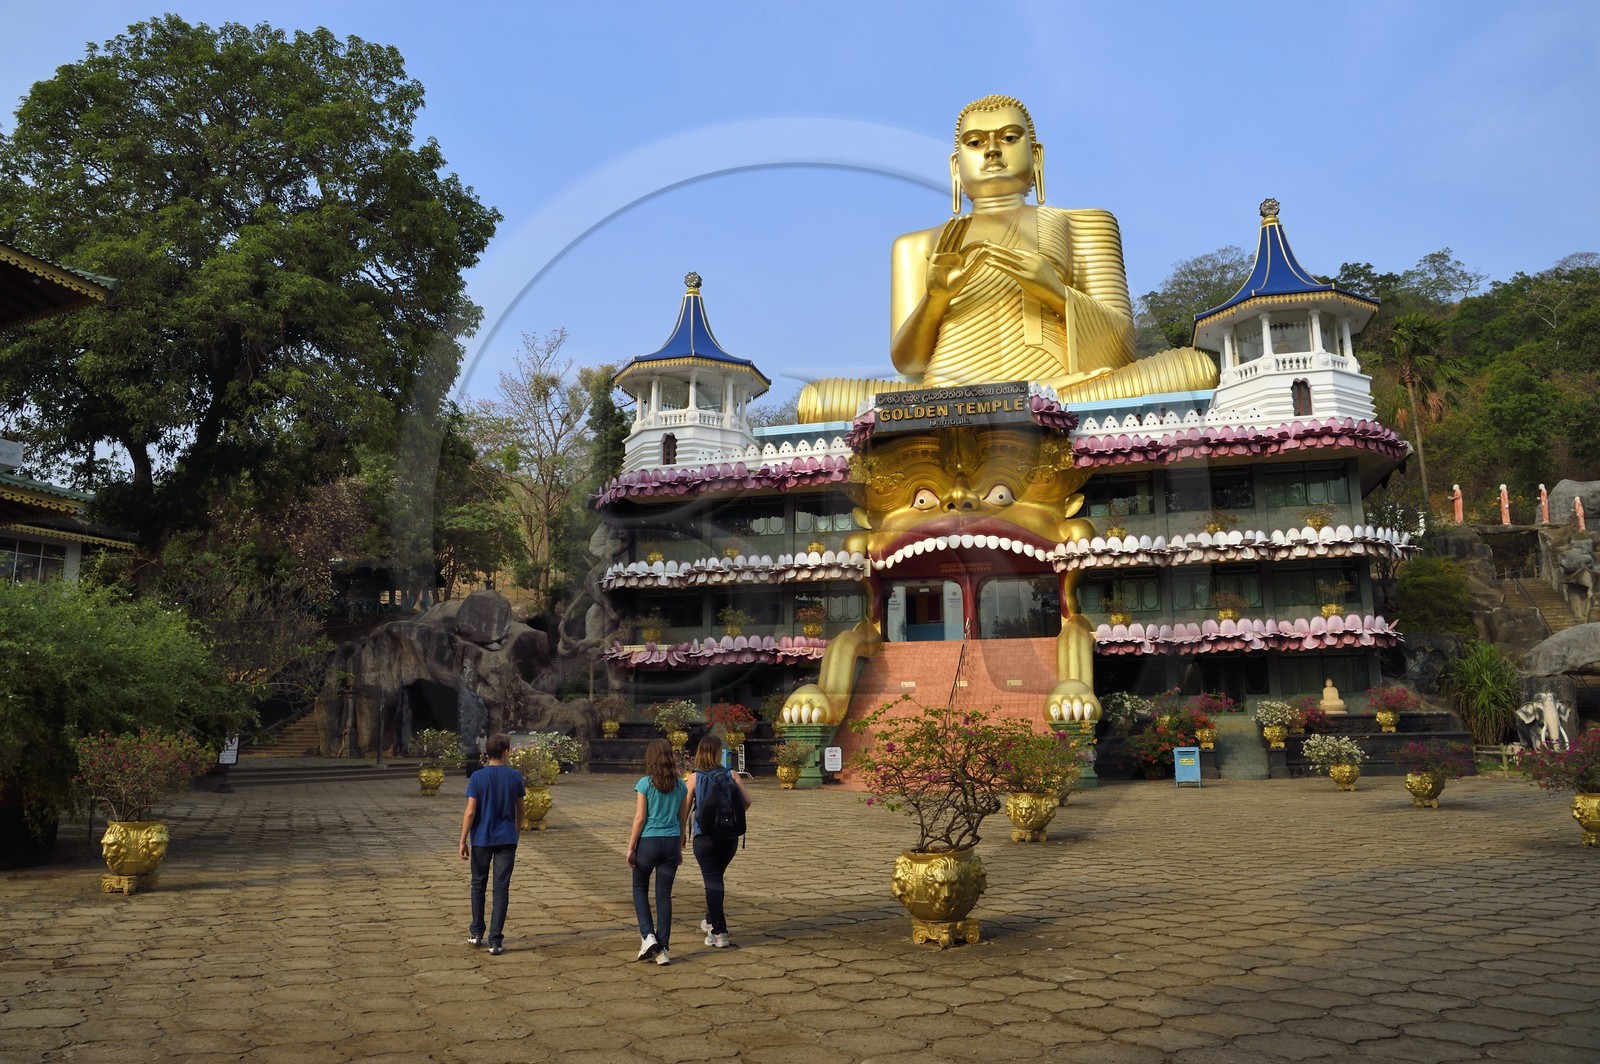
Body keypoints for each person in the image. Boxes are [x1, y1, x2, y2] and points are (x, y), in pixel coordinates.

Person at [797, 94, 1215, 423]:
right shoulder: (916, 244)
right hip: (946, 395)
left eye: (1009, 138)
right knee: (816, 399)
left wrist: (1055, 291)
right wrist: (936, 298)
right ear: (956, 166)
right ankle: (995, 407)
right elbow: (908, 362)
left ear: (1037, 156)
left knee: (1192, 369)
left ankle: (1009, 405)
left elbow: (1121, 346)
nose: (992, 151)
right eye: (976, 142)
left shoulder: (1083, 223)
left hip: (1058, 388)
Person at [458, 732, 525, 956]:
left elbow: (470, 812)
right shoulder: (514, 776)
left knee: (478, 884)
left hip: (481, 838)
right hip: (506, 838)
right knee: (501, 889)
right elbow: (520, 809)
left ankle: (477, 933)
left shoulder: (477, 777)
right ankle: (496, 940)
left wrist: (462, 840)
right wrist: (516, 832)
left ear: (487, 753)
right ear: (506, 752)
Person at [628, 737, 689, 966]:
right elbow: (682, 818)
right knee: (664, 896)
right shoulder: (680, 785)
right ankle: (663, 949)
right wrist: (680, 843)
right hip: (671, 842)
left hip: (649, 842)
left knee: (639, 888)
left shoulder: (645, 783)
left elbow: (640, 818)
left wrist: (631, 846)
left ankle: (648, 935)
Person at [687, 735, 752, 949]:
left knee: (713, 881)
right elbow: (747, 801)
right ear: (718, 753)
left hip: (704, 837)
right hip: (729, 838)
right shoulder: (730, 774)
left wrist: (679, 835)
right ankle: (709, 920)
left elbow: (684, 808)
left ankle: (719, 931)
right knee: (715, 880)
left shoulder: (695, 777)